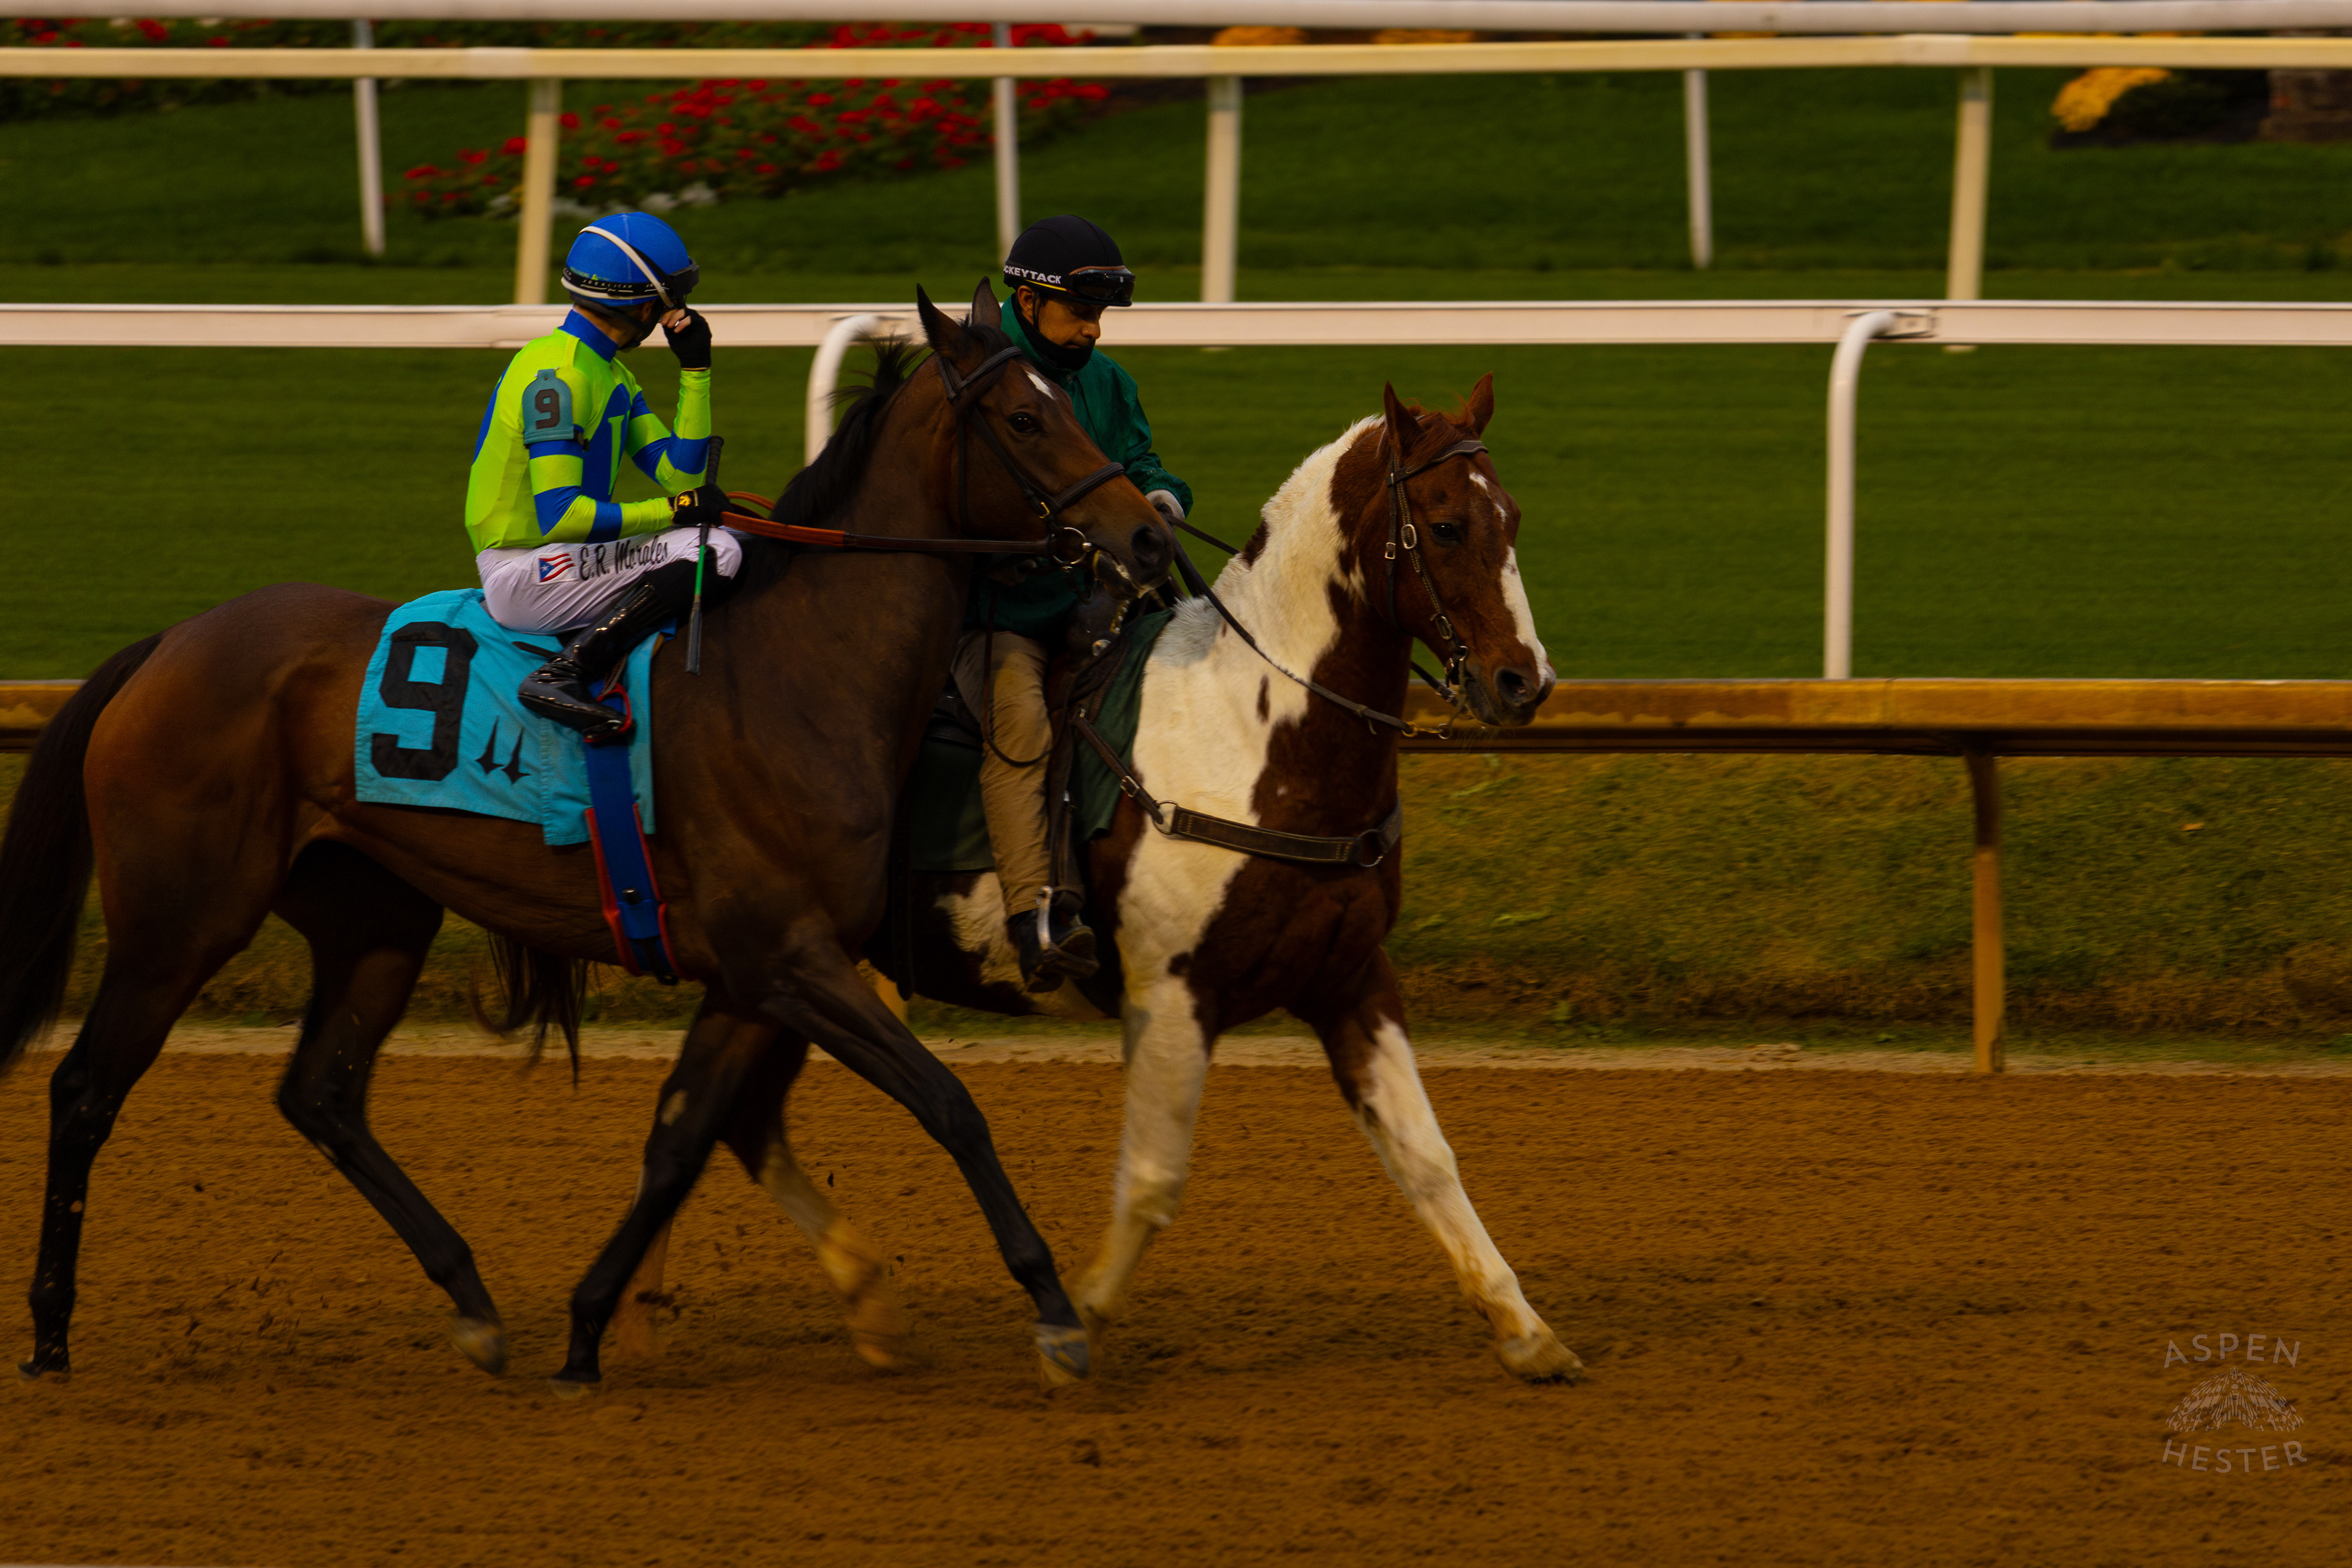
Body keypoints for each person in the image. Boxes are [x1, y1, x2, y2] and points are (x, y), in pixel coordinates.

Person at [961, 214, 1193, 990]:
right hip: (1006, 614)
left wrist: (1160, 501)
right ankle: (1034, 919)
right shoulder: (987, 386)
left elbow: (1145, 464)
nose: (1093, 329)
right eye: (1080, 311)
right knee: (1021, 719)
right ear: (1026, 305)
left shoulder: (1108, 381)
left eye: (1101, 314)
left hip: (1106, 601)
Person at [464, 211, 734, 739]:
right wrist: (674, 513)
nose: (673, 313)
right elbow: (563, 514)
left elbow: (680, 478)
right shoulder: (559, 378)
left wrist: (696, 371)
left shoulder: (610, 372)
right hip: (523, 572)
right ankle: (565, 673)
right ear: (641, 301)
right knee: (716, 552)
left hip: (558, 561)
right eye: (671, 299)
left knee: (736, 535)